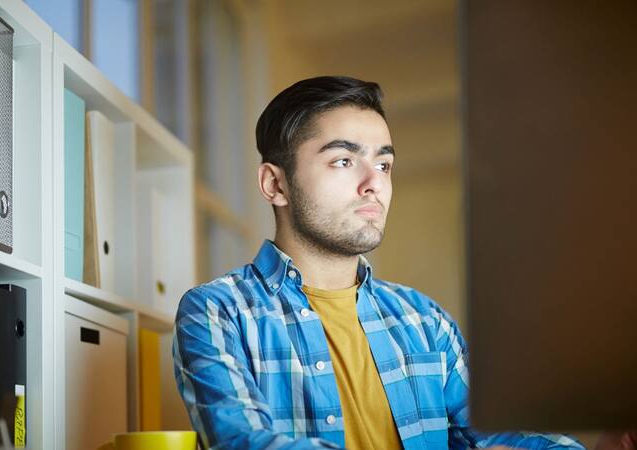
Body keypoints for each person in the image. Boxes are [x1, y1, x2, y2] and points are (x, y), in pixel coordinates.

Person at [171, 76, 634, 449]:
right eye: (343, 161)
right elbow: (245, 442)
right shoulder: (216, 312)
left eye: (384, 164)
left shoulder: (425, 321)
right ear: (275, 184)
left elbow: (498, 437)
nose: (374, 183)